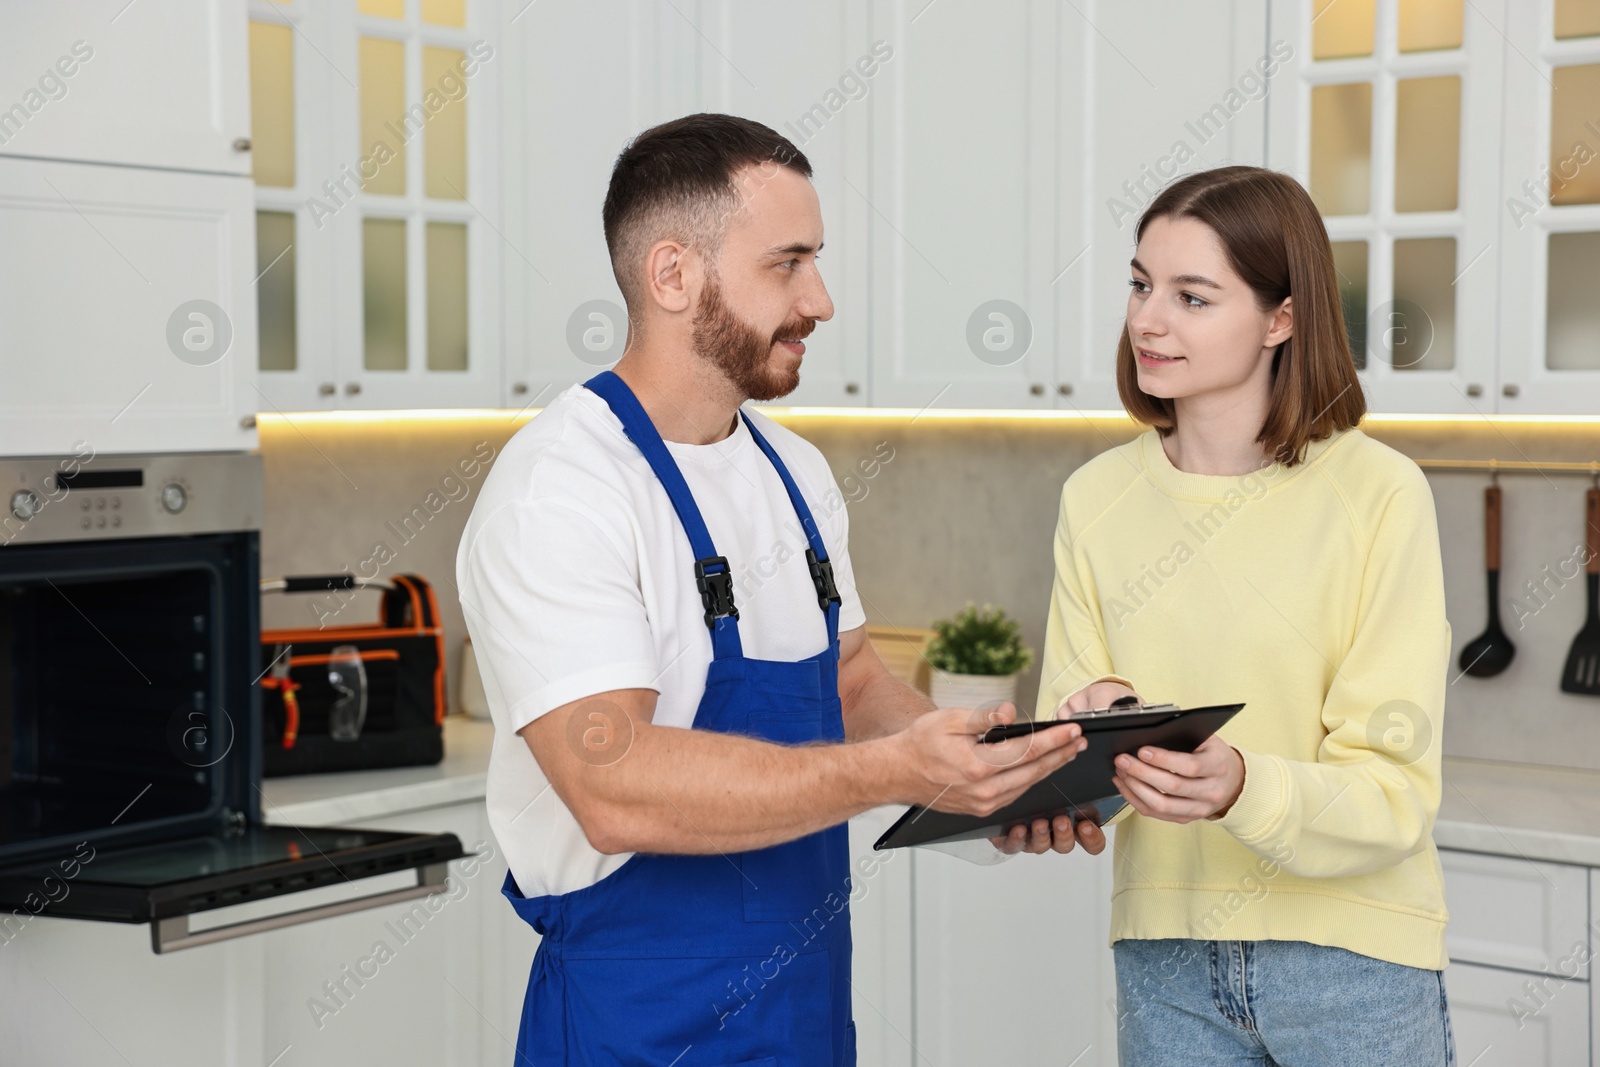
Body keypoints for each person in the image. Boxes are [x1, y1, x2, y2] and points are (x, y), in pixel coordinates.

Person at [455, 113, 1095, 1067]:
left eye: (816, 261)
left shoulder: (794, 472)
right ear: (674, 275)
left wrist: (984, 779)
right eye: (787, 264)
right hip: (638, 1026)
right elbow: (614, 786)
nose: (822, 300)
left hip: (802, 1016)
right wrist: (898, 772)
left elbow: (854, 685)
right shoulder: (562, 488)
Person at [1028, 166, 1454, 1065]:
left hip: (1353, 959)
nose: (1149, 319)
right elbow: (1073, 732)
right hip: (1164, 957)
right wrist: (1079, 737)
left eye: (1193, 296)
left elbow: (1394, 790)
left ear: (1281, 318)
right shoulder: (1095, 497)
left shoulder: (1379, 495)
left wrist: (1240, 786)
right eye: (1142, 285)